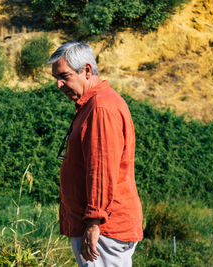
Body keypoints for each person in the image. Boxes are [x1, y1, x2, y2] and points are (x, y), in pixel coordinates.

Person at [48, 42, 143, 267]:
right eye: (56, 78)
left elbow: (101, 171)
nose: (59, 84)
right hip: (100, 226)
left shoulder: (101, 107)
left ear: (87, 70)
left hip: (103, 229)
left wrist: (94, 221)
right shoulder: (94, 104)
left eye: (64, 76)